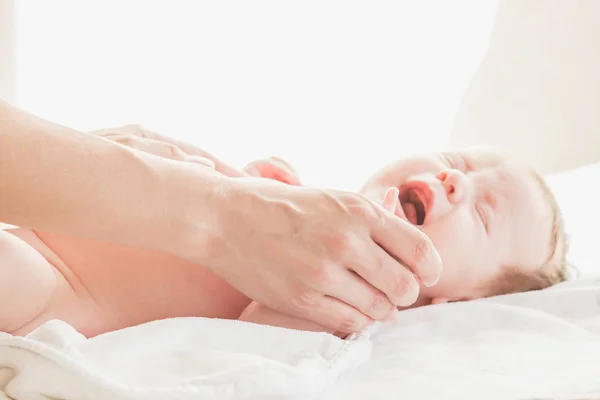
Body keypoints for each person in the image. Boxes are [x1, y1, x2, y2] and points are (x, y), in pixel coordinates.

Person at [1, 124, 567, 337]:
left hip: (60, 292)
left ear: (449, 301)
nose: (452, 179)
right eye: (456, 160)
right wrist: (250, 179)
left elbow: (257, 335)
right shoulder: (306, 206)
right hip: (56, 215)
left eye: (483, 210)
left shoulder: (356, 304)